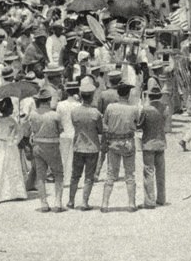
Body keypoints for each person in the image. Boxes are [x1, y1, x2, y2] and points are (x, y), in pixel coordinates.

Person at [100, 81, 142, 213]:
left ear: (118, 94)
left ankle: (105, 204)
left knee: (111, 174)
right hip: (128, 142)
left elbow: (105, 123)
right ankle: (131, 203)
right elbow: (138, 123)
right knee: (130, 174)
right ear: (128, 94)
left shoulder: (110, 107)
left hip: (113, 142)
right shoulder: (134, 108)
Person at [23, 83, 66, 212]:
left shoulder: (33, 114)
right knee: (58, 174)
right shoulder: (54, 115)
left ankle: (43, 203)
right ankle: (58, 202)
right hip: (52, 145)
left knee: (40, 176)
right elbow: (61, 130)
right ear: (48, 100)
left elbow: (27, 131)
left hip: (37, 145)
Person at [68, 82, 103, 211]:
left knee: (75, 175)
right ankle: (84, 202)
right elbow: (100, 130)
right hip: (92, 147)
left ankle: (71, 201)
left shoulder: (75, 112)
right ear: (92, 96)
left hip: (78, 146)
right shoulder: (96, 113)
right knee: (89, 176)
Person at [139, 79, 168, 209]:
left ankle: (149, 200)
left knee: (148, 171)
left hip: (148, 143)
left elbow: (139, 125)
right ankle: (161, 198)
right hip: (161, 142)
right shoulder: (165, 107)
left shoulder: (146, 109)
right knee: (161, 172)